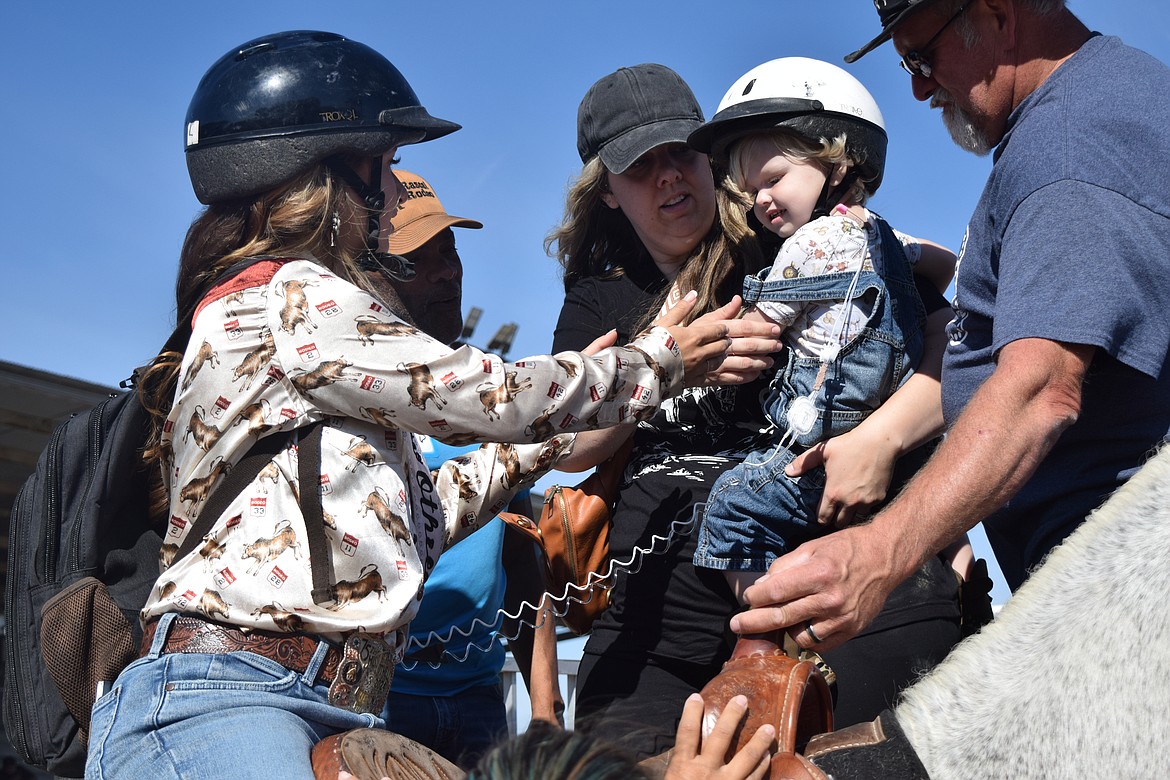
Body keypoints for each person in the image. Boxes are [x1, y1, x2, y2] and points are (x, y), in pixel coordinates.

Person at [84, 31, 778, 780]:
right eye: (383, 167)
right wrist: (663, 359)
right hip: (225, 702)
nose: (393, 192)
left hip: (316, 700)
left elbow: (421, 512)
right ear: (327, 175)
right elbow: (490, 394)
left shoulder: (292, 320)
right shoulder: (295, 297)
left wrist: (568, 432)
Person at [549, 63, 962, 758]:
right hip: (657, 627)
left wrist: (894, 454)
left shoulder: (797, 232)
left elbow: (946, 350)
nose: (669, 176)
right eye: (640, 166)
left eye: (681, 153)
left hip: (837, 585)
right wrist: (668, 368)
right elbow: (569, 447)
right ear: (608, 192)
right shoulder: (597, 297)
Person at [733, 0, 1170, 652]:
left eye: (921, 56)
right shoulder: (1098, 102)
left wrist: (882, 550)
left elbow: (1040, 389)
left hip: (1124, 591)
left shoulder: (1067, 148)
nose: (916, 86)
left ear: (996, 13)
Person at [685, 58, 957, 610]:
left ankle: (767, 620)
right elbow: (946, 265)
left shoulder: (804, 248)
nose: (760, 199)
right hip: (903, 431)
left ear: (835, 165)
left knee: (733, 507)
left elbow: (759, 332)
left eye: (774, 180)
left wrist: (697, 347)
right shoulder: (881, 235)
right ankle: (963, 576)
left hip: (821, 432)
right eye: (749, 190)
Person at [372, 170, 562, 768]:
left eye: (449, 250)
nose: (448, 271)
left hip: (481, 704)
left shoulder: (492, 398)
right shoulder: (356, 398)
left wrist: (548, 714)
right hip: (379, 703)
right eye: (417, 259)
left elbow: (521, 561)